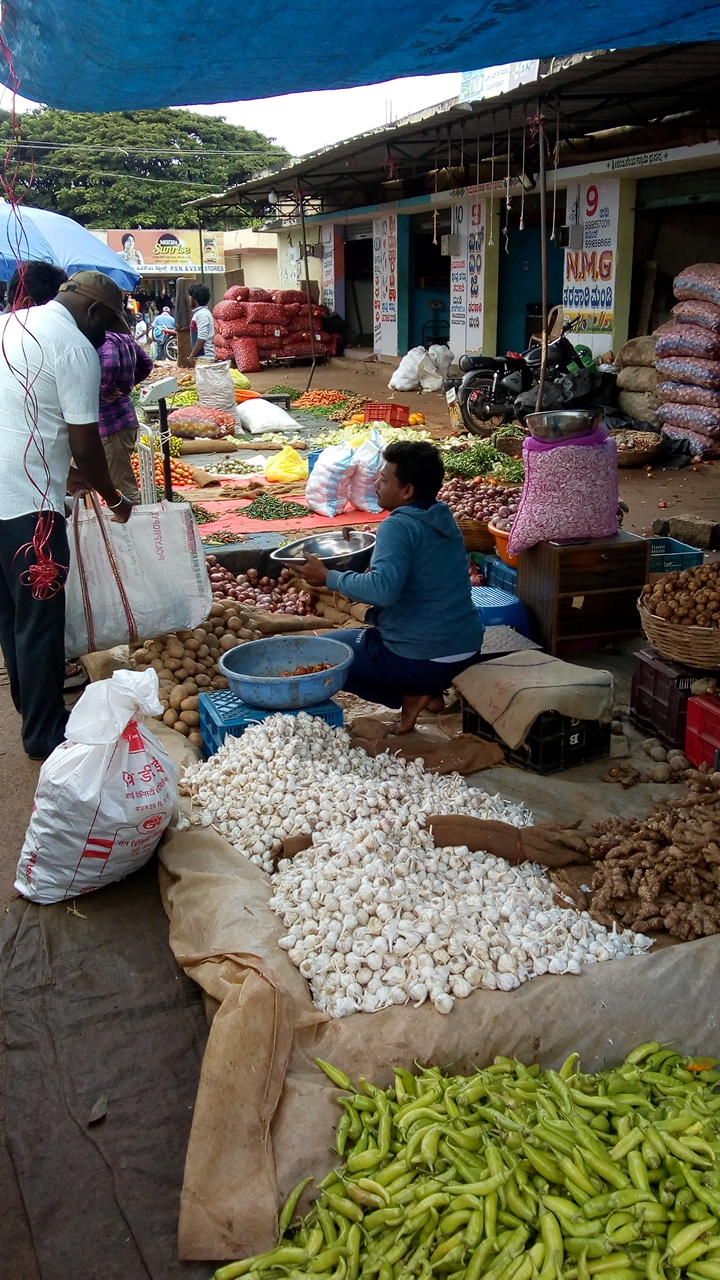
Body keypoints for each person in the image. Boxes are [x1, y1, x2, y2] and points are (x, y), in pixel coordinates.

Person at [0, 270, 133, 761]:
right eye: (109, 324)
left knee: (11, 618)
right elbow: (86, 441)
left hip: (8, 492)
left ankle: (31, 707)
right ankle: (44, 734)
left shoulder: (11, 323)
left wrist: (67, 472)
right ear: (95, 312)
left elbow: (21, 417)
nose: (106, 336)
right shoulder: (76, 347)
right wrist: (113, 498)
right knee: (39, 623)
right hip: (28, 511)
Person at [302, 441, 485, 733]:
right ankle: (426, 692)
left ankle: (410, 693)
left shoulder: (397, 527)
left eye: (384, 479)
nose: (376, 481)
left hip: (421, 660)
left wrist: (328, 577)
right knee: (357, 639)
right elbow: (415, 554)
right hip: (466, 649)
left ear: (407, 491)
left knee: (324, 652)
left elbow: (382, 591)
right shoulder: (441, 515)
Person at [99, 330, 154, 504]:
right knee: (116, 479)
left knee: (123, 489)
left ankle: (134, 527)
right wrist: (125, 387)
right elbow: (146, 363)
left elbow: (110, 364)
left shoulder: (105, 339)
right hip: (124, 419)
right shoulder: (124, 338)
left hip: (112, 423)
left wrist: (105, 390)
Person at [188, 282, 215, 362]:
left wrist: (191, 356)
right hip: (203, 357)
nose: (189, 298)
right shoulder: (200, 313)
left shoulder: (201, 314)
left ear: (195, 299)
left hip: (205, 357)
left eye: (190, 296)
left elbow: (202, 338)